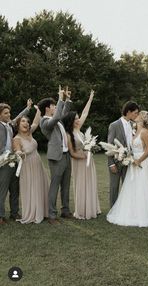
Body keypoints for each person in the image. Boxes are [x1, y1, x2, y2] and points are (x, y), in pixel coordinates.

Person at [107, 111, 148, 228]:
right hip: (133, 162)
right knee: (132, 187)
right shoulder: (135, 131)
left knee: (143, 187)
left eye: (139, 114)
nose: (136, 115)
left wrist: (139, 160)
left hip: (143, 162)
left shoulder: (144, 132)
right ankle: (133, 212)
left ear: (142, 119)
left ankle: (144, 214)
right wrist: (128, 156)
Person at [63, 90, 101, 219]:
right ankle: (82, 210)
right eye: (75, 119)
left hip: (88, 159)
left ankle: (92, 207)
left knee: (90, 182)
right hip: (79, 161)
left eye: (78, 118)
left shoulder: (78, 129)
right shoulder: (69, 135)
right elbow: (72, 153)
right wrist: (84, 156)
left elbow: (85, 112)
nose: (78, 120)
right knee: (81, 184)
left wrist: (90, 99)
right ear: (71, 121)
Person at [38, 86, 73, 225]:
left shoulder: (57, 120)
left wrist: (67, 99)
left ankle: (65, 211)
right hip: (56, 157)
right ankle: (52, 215)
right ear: (47, 108)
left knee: (66, 185)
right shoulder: (44, 121)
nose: (55, 107)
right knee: (55, 186)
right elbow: (58, 115)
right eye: (53, 106)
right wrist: (59, 98)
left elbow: (62, 113)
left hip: (66, 155)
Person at [13, 105, 49, 223]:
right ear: (18, 124)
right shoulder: (16, 139)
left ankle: (41, 212)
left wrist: (38, 109)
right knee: (30, 188)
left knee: (40, 186)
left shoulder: (30, 133)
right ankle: (32, 213)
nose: (26, 123)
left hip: (38, 164)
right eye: (23, 121)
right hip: (27, 167)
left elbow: (36, 122)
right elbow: (17, 150)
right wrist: (19, 153)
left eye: (27, 122)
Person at [0, 99, 32, 225]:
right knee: (2, 190)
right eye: (6, 113)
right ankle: (1, 216)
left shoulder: (8, 125)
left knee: (14, 188)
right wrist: (6, 155)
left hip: (14, 159)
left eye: (9, 113)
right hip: (3, 161)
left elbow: (18, 117)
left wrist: (28, 108)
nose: (9, 115)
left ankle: (14, 213)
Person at [108, 101, 140, 207]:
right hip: (116, 161)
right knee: (114, 186)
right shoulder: (114, 125)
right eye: (135, 113)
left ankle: (126, 208)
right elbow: (109, 145)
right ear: (129, 112)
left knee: (128, 186)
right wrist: (111, 163)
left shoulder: (133, 125)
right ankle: (113, 208)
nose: (137, 115)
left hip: (129, 161)